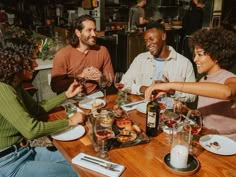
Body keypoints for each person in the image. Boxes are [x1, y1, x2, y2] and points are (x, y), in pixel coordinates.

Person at [0, 37, 85, 176]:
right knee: (75, 173)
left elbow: (36, 109)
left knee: (78, 160)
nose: (35, 65)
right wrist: (70, 121)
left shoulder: (15, 84)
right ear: (17, 62)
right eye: (31, 60)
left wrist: (66, 95)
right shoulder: (2, 89)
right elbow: (31, 130)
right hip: (9, 163)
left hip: (24, 151)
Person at [145, 27, 236, 141]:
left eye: (200, 54)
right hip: (206, 140)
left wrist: (170, 85)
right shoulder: (203, 80)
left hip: (228, 146)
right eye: (194, 54)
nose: (195, 59)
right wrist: (186, 111)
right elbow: (206, 116)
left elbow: (227, 92)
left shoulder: (230, 78)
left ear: (216, 56)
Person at [121, 22, 196, 103]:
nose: (148, 44)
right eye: (146, 41)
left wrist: (171, 91)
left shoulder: (184, 63)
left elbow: (192, 96)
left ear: (163, 36)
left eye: (151, 39)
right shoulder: (140, 59)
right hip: (143, 109)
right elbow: (123, 83)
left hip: (169, 112)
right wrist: (144, 89)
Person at [51, 15, 114, 95]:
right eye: (89, 30)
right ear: (78, 33)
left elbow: (110, 80)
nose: (94, 34)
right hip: (72, 100)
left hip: (95, 98)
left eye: (94, 30)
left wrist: (101, 78)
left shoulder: (102, 50)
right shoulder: (63, 55)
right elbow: (55, 86)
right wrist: (82, 76)